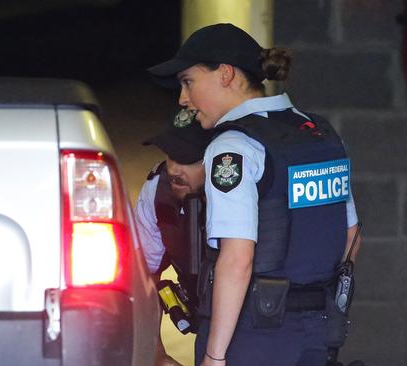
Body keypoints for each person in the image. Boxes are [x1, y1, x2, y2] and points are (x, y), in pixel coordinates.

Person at [147, 23, 361, 366]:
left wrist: (215, 356)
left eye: (188, 82)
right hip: (320, 332)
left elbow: (237, 258)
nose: (182, 99)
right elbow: (351, 235)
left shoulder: (233, 146)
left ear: (225, 74)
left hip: (254, 334)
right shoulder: (320, 133)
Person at [136, 117, 211, 366]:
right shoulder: (158, 190)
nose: (174, 169)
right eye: (170, 156)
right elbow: (146, 275)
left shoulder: (241, 188)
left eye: (187, 159)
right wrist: (157, 353)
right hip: (200, 312)